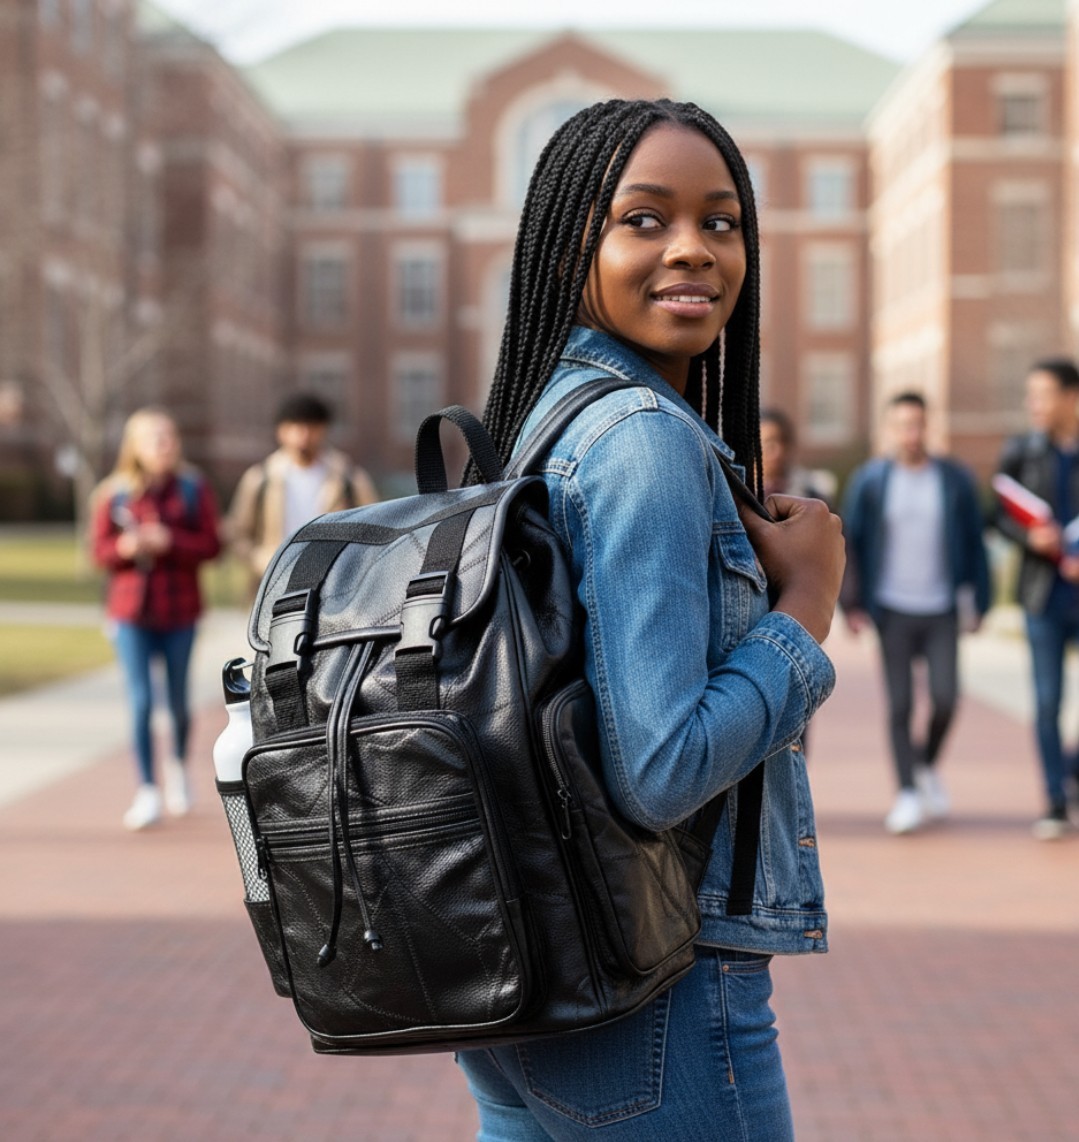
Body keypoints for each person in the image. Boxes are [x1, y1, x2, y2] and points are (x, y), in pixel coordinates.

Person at [455, 98, 845, 1140]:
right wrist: (806, 603)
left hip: (518, 967)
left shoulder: (545, 419)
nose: (693, 249)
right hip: (650, 977)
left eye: (720, 222)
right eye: (643, 219)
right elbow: (660, 765)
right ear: (566, 238)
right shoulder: (641, 439)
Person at [841, 392, 991, 835]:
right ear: (889, 429)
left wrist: (978, 601)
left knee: (946, 698)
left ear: (929, 427)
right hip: (892, 609)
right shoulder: (871, 481)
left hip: (941, 607)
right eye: (903, 425)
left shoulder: (954, 480)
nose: (912, 434)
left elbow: (974, 542)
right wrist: (852, 604)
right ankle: (907, 792)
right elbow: (851, 544)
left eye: (919, 425)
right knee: (901, 704)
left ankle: (924, 766)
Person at [90, 407, 222, 831]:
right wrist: (125, 548)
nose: (165, 444)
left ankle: (179, 767)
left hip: (180, 611)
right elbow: (98, 551)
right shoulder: (113, 494)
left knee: (179, 703)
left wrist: (171, 541)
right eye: (155, 437)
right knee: (142, 702)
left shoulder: (191, 488)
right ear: (136, 446)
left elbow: (211, 544)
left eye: (169, 436)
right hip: (130, 613)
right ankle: (147, 789)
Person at [994, 358, 1079, 839]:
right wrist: (1032, 541)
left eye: (1043, 395)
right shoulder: (1020, 451)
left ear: (1071, 398)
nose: (1034, 405)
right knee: (1047, 702)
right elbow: (1000, 513)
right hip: (1043, 596)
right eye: (1031, 395)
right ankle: (1054, 798)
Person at [227, 393, 377, 593]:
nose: (304, 434)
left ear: (324, 429)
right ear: (281, 431)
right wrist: (263, 560)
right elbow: (238, 533)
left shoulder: (348, 477)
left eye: (311, 426)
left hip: (335, 585)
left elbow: (375, 529)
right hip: (275, 584)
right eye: (296, 426)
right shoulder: (261, 478)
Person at [760, 407, 835, 503]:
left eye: (783, 441)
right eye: (769, 443)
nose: (778, 451)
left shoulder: (813, 497)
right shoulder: (738, 499)